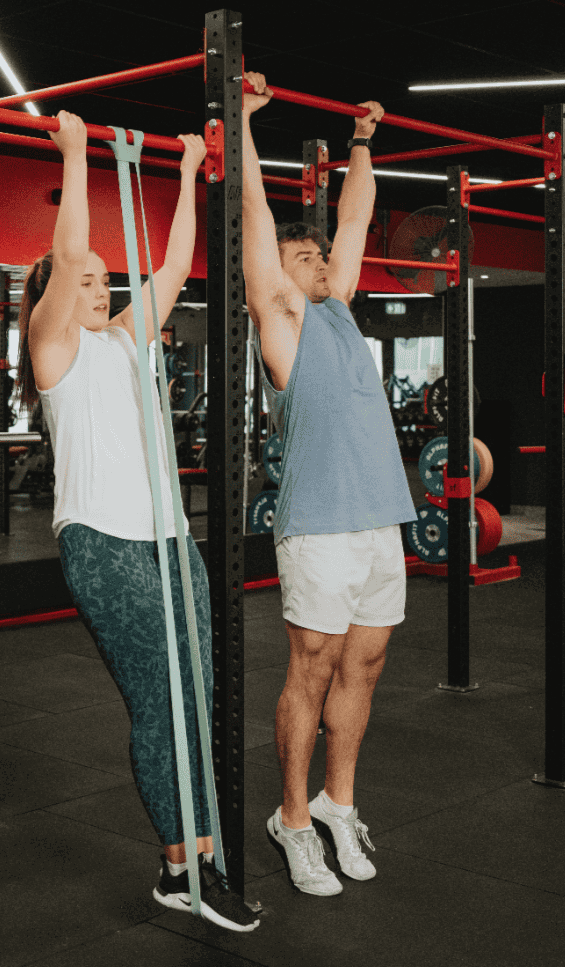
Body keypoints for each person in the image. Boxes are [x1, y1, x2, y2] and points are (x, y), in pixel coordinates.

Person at [15, 110, 260, 934]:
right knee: (160, 701)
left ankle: (193, 859)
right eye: (85, 280)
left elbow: (178, 265)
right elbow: (69, 253)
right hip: (102, 542)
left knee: (199, 696)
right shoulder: (55, 348)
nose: (99, 286)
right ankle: (186, 866)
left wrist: (187, 173)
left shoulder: (128, 340)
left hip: (171, 542)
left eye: (102, 279)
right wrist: (79, 155)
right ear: (53, 295)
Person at [240, 72, 417, 896]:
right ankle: (292, 819)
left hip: (380, 519)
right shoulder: (282, 326)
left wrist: (362, 140)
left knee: (365, 666)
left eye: (319, 257)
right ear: (278, 277)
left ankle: (337, 805)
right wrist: (242, 122)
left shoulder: (339, 306)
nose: (319, 261)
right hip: (317, 525)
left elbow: (354, 216)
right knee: (311, 670)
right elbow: (253, 221)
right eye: (301, 257)